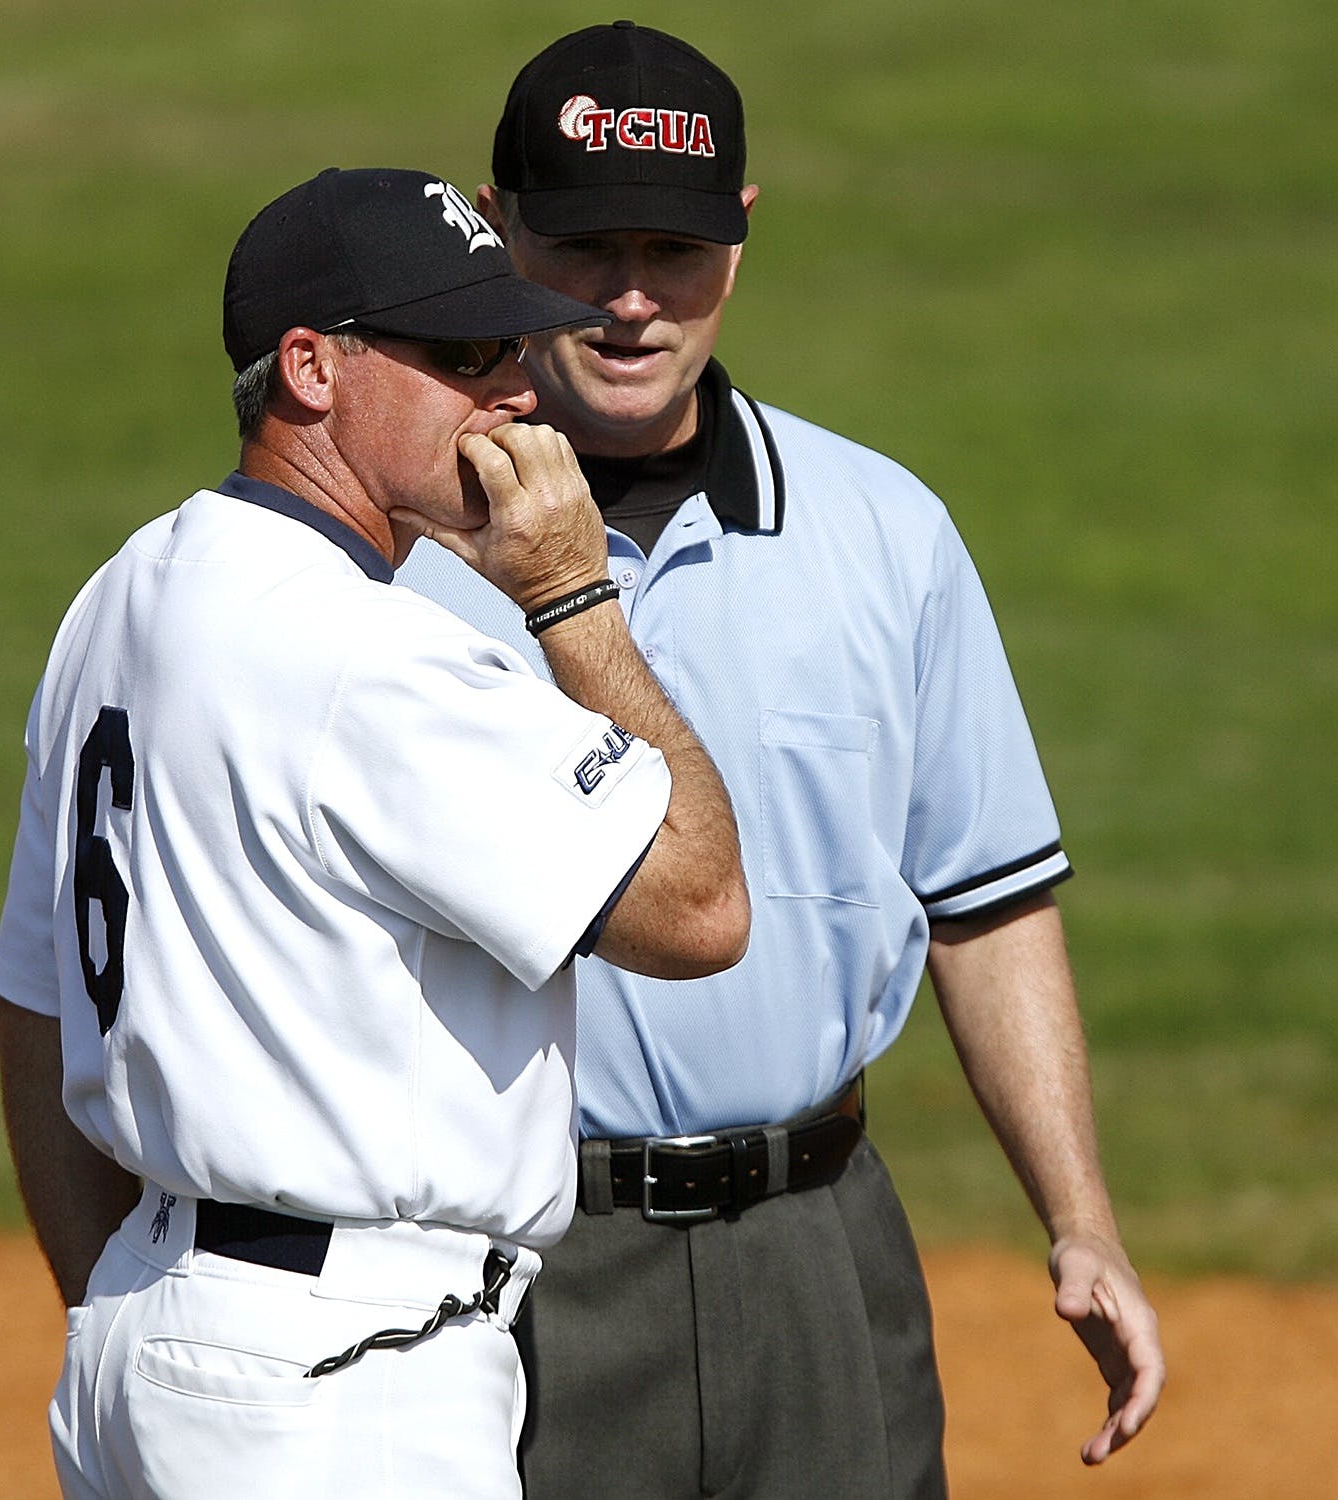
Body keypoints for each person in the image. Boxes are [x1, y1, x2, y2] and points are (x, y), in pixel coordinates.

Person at [394, 23, 1164, 1497]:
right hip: (507, 1269)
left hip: (820, 1257)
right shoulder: (397, 558)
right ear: (498, 229)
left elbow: (985, 900)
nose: (631, 301)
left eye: (671, 251)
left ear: (739, 243)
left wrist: (1082, 1219)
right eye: (583, 247)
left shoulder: (884, 533)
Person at [0, 165, 749, 1500]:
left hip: (149, 1341)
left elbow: (31, 1001)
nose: (519, 390)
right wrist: (573, 596)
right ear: (312, 369)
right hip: (343, 1384)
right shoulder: (370, 658)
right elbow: (699, 910)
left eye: (516, 346)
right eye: (464, 354)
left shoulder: (119, 597)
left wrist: (145, 1304)